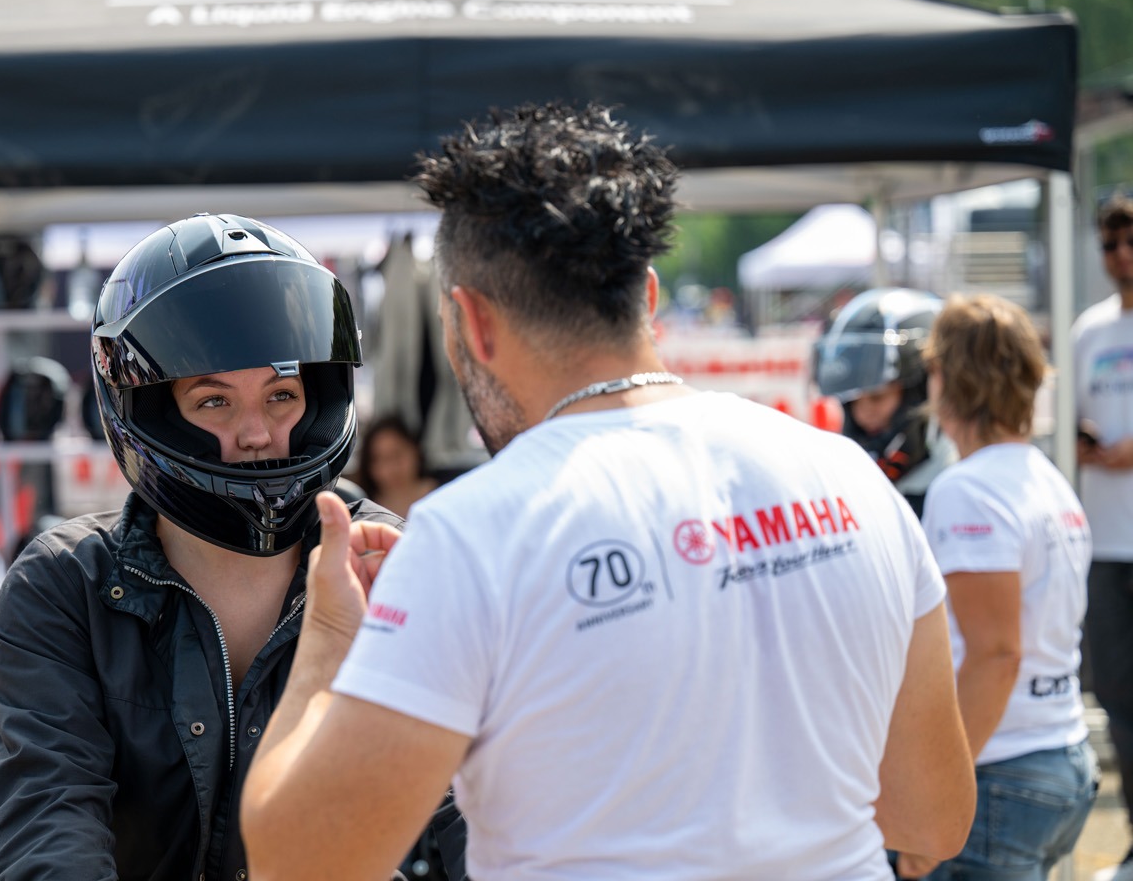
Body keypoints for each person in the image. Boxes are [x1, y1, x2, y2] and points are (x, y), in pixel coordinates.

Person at [240, 103, 975, 880]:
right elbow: (933, 818)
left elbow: (299, 863)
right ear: (648, 299)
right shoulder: (849, 475)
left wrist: (327, 637)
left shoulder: (474, 534)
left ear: (470, 324)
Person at [0, 214, 464, 881]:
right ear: (149, 410)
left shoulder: (391, 565)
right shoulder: (65, 587)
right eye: (214, 402)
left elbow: (462, 811)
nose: (258, 432)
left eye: (282, 395)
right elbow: (45, 816)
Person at [893, 294, 1097, 881]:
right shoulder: (1045, 477)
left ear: (944, 378)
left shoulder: (968, 489)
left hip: (1003, 771)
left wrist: (935, 797)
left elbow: (995, 655)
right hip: (1059, 755)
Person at [1074, 196, 1133, 881]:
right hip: (1107, 541)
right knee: (1118, 701)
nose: (1120, 256)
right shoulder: (1089, 330)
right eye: (1110, 244)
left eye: (1129, 241)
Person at [813, 287, 958, 517]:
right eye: (852, 401)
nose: (862, 413)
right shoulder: (842, 486)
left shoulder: (956, 487)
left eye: (877, 397)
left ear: (922, 392)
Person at [354, 415, 439, 519]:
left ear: (415, 450)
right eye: (380, 459)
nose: (392, 469)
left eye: (397, 455)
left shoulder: (443, 495)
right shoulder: (361, 512)